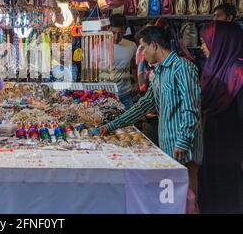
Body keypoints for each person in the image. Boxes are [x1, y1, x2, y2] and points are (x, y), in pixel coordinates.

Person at [100, 26, 202, 213]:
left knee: (189, 201)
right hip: (168, 144)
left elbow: (191, 108)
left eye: (144, 48)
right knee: (175, 202)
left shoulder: (183, 68)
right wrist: (112, 125)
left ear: (154, 45)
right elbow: (144, 104)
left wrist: (183, 141)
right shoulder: (157, 73)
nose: (142, 53)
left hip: (183, 146)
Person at [198, 22, 243, 214]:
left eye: (205, 42)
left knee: (228, 194)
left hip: (232, 149)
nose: (202, 47)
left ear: (219, 42)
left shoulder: (238, 73)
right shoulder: (216, 68)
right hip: (213, 144)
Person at [109, 14, 138, 109]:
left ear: (125, 30)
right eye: (113, 33)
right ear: (109, 29)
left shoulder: (132, 46)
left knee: (130, 122)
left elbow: (134, 66)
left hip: (125, 93)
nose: (116, 37)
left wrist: (136, 83)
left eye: (120, 33)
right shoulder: (98, 46)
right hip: (106, 95)